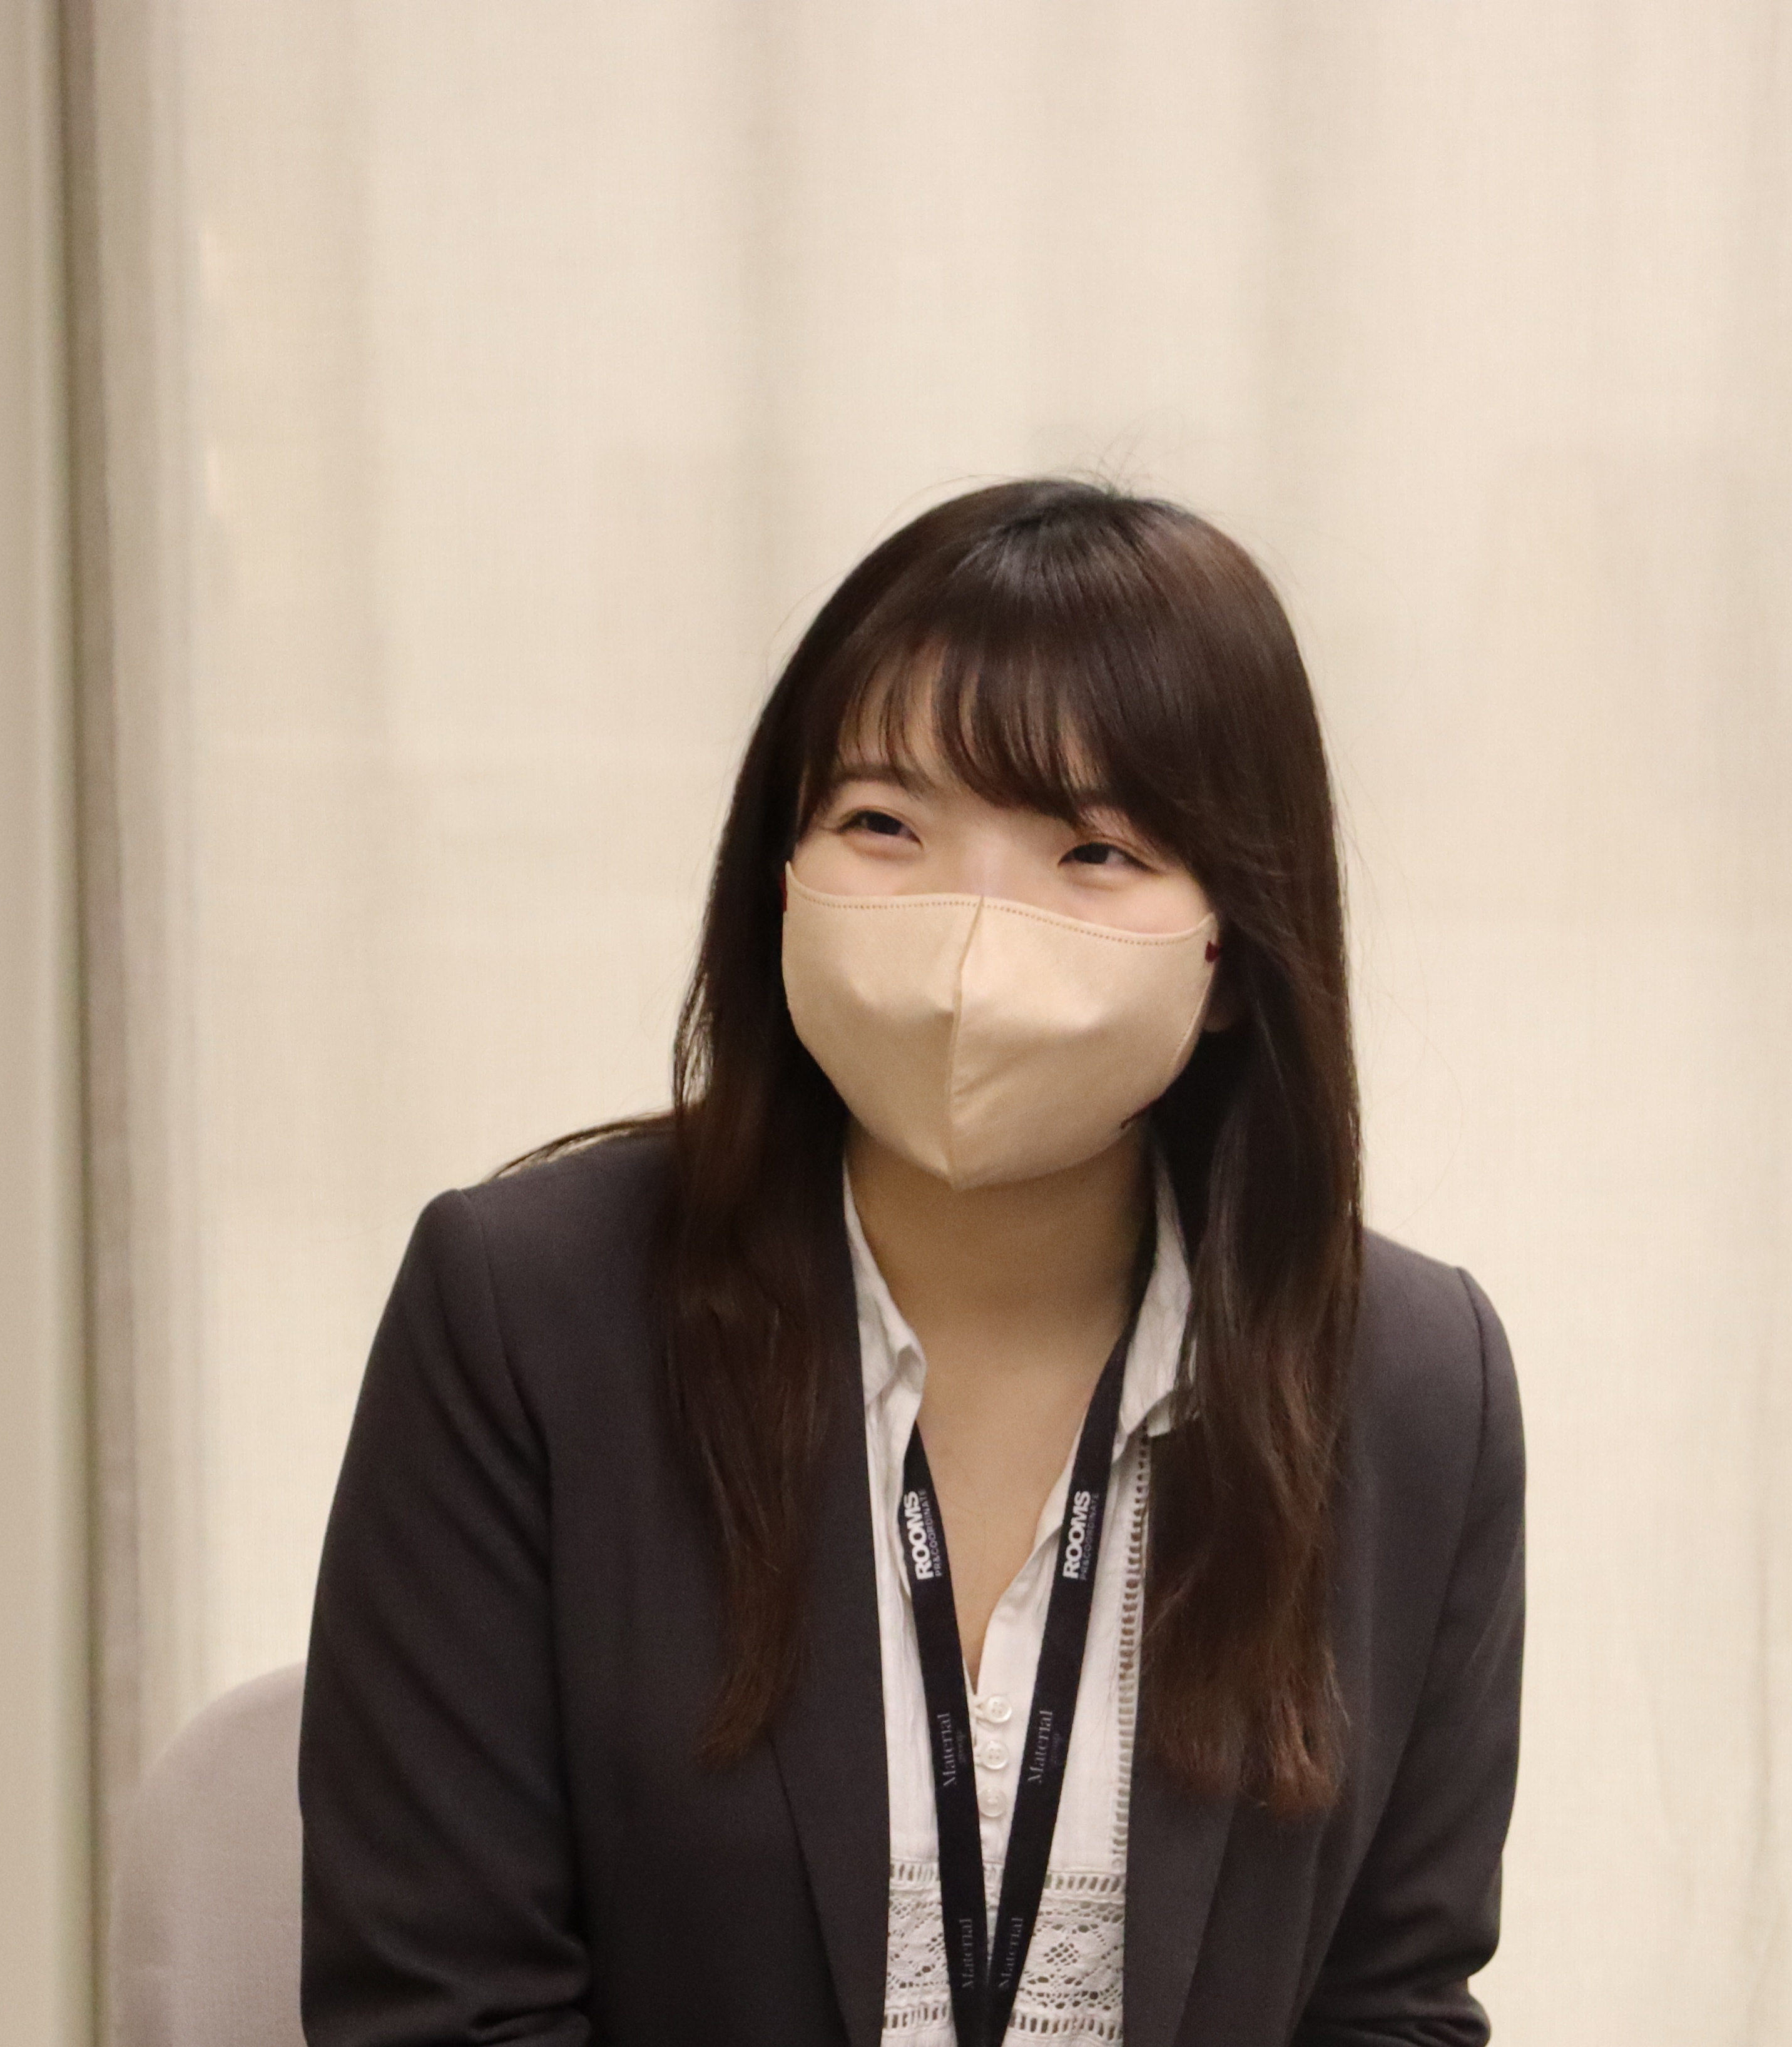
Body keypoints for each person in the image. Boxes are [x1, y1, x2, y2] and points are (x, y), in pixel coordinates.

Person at [296, 477, 1523, 2047]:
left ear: (1230, 955)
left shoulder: (1410, 1384)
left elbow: (1390, 2005)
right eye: (885, 824)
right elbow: (437, 2007)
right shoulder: (527, 1319)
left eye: (1092, 849)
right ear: (781, 874)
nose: (970, 935)